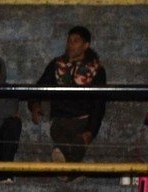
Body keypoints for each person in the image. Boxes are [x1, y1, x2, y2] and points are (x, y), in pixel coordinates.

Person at [29, 25, 106, 164]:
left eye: (76, 41)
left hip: (83, 120)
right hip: (60, 120)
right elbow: (39, 87)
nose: (70, 44)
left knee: (74, 145)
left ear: (85, 45)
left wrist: (91, 131)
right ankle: (74, 174)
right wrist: (35, 104)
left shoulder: (96, 69)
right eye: (69, 40)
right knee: (63, 146)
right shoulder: (57, 65)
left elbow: (99, 103)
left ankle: (68, 173)